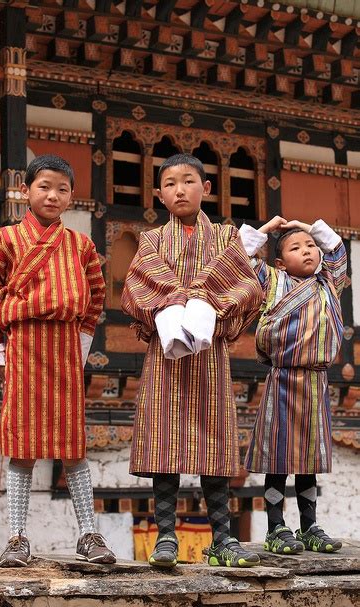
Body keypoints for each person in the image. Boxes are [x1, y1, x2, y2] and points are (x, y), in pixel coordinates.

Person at [121, 153, 263, 568]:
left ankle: (223, 538)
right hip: (165, 356)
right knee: (164, 439)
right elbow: (137, 286)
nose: (179, 189)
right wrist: (182, 301)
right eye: (169, 183)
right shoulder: (151, 240)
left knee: (215, 441)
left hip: (211, 354)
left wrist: (204, 304)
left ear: (207, 187)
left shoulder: (226, 238)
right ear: (160, 194)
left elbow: (246, 285)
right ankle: (166, 537)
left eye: (188, 180)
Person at [0, 154, 116, 567]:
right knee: (21, 445)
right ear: (26, 190)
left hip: (64, 349)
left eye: (61, 189)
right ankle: (17, 538)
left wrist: (80, 347)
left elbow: (95, 297)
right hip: (22, 346)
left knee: (72, 446)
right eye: (44, 186)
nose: (52, 196)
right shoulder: (4, 240)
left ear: (71, 197)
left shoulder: (81, 245)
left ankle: (89, 535)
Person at [240, 215, 347, 554]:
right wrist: (267, 230)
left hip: (316, 381)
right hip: (283, 379)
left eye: (311, 246)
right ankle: (276, 526)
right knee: (279, 458)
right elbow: (242, 257)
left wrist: (312, 227)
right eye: (296, 247)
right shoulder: (272, 281)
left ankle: (310, 525)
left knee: (308, 460)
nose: (308, 251)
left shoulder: (329, 283)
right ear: (280, 261)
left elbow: (338, 251)